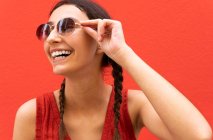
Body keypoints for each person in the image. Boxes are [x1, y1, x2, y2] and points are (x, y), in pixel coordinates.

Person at [13, 0, 212, 140]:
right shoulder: (32, 115)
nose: (51, 38)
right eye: (47, 30)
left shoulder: (134, 106)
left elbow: (198, 135)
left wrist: (123, 53)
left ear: (99, 41)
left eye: (66, 26)